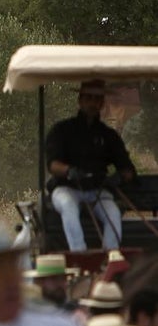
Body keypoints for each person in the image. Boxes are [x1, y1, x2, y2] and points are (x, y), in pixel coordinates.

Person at [46, 79, 136, 250]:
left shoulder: (109, 136)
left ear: (102, 104)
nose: (92, 103)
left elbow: (127, 169)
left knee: (114, 214)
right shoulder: (62, 130)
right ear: (80, 100)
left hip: (98, 191)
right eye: (88, 98)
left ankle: (110, 258)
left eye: (97, 99)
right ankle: (80, 255)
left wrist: (118, 178)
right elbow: (52, 164)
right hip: (67, 188)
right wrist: (69, 171)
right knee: (68, 206)